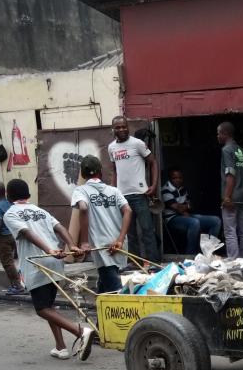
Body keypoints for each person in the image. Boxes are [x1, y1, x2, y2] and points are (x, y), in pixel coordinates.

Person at [2, 178, 96, 361]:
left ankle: (80, 332)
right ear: (28, 194)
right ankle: (61, 347)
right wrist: (71, 245)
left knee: (42, 309)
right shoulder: (40, 211)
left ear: (8, 196)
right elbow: (60, 227)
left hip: (38, 264)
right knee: (49, 306)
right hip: (54, 261)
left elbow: (26, 233)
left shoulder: (10, 213)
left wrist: (48, 250)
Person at [71, 155, 133, 294]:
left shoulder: (81, 190)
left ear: (82, 174)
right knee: (105, 281)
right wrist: (120, 240)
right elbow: (128, 210)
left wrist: (84, 242)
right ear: (101, 171)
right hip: (118, 243)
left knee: (115, 291)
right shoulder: (114, 190)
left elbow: (83, 208)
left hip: (102, 245)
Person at [108, 115, 160, 264]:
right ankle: (134, 263)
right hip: (122, 197)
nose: (122, 129)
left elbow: (153, 162)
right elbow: (115, 170)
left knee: (147, 229)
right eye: (118, 127)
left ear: (128, 127)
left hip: (139, 194)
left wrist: (153, 185)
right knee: (129, 233)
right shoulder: (111, 147)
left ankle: (153, 262)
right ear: (113, 129)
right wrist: (113, 191)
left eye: (124, 126)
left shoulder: (137, 144)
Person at [161, 168, 221, 255]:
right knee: (194, 222)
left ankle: (207, 251)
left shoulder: (183, 189)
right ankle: (190, 254)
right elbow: (177, 207)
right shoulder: (165, 189)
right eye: (175, 178)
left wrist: (184, 208)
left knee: (216, 221)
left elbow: (190, 205)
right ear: (170, 178)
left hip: (186, 216)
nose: (178, 180)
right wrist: (184, 208)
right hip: (172, 219)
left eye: (180, 178)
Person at [217, 121, 243, 258]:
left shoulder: (226, 150)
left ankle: (234, 262)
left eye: (219, 133)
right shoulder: (240, 150)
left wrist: (227, 197)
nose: (217, 136)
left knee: (230, 231)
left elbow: (230, 175)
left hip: (232, 197)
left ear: (225, 134)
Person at [0, 181, 26, 295]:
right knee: (18, 260)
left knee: (8, 262)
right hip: (15, 235)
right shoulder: (11, 204)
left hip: (4, 237)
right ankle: (24, 283)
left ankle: (17, 286)